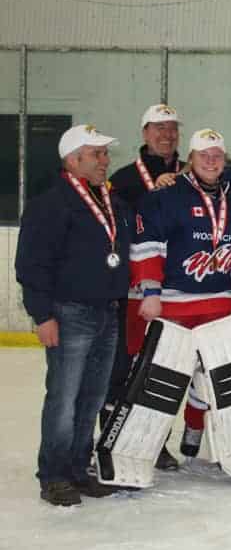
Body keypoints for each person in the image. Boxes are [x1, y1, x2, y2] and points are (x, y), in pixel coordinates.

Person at [16, 124, 130, 506]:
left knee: (92, 399)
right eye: (96, 154)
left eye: (104, 154)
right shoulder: (51, 203)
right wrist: (42, 314)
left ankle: (80, 468)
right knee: (64, 399)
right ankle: (54, 475)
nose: (105, 161)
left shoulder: (108, 202)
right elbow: (32, 264)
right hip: (69, 314)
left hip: (107, 314)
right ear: (73, 159)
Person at [132, 129, 231, 460]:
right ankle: (152, 444)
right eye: (203, 155)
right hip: (174, 304)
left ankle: (212, 435)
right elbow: (148, 245)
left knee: (216, 380)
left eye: (217, 156)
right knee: (164, 381)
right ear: (190, 158)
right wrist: (150, 291)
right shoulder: (166, 195)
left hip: (220, 305)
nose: (210, 161)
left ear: (225, 160)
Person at [106, 103, 184, 472]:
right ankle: (111, 437)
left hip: (176, 293)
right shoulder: (123, 179)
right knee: (124, 369)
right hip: (134, 293)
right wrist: (151, 196)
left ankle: (157, 442)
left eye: (172, 129)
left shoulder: (192, 175)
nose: (167, 135)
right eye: (159, 128)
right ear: (144, 134)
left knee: (164, 373)